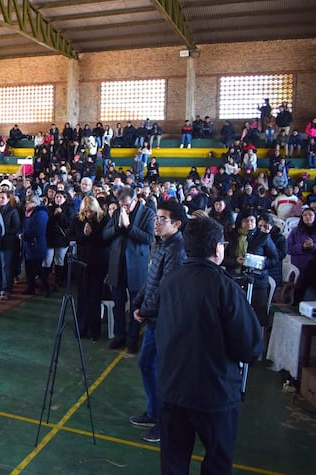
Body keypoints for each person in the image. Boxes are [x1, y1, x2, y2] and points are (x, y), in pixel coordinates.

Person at [156, 216, 262, 474]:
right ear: (218, 248)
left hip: (173, 389)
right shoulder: (225, 287)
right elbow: (250, 347)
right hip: (215, 393)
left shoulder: (170, 281)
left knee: (173, 462)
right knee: (217, 461)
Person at [129, 200, 187, 444]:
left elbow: (166, 287)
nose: (156, 222)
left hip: (165, 320)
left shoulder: (177, 249)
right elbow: (151, 279)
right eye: (156, 218)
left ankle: (167, 424)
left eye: (163, 219)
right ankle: (155, 413)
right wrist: (138, 302)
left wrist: (145, 309)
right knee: (146, 364)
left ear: (176, 224)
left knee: (165, 373)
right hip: (153, 317)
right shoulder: (162, 244)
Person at [103, 186, 155, 353]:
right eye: (121, 204)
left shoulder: (147, 213)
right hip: (117, 265)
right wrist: (118, 227)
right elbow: (105, 234)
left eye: (126, 204)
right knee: (118, 304)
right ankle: (119, 335)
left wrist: (129, 227)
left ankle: (133, 338)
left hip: (136, 266)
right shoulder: (117, 212)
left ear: (135, 200)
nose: (123, 208)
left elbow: (149, 239)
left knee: (135, 305)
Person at [222, 209, 278, 326]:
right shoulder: (231, 236)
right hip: (234, 279)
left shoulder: (263, 237)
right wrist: (235, 261)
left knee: (257, 315)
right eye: (246, 221)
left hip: (257, 280)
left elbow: (274, 258)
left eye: (252, 221)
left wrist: (258, 262)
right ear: (240, 222)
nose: (249, 223)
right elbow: (222, 258)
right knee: (232, 314)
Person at [71, 196, 109, 341]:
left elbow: (106, 240)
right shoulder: (78, 219)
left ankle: (94, 331)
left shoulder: (104, 220)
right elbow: (71, 236)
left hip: (99, 263)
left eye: (90, 212)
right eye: (86, 212)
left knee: (95, 297)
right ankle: (81, 329)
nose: (88, 215)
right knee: (82, 297)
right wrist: (84, 235)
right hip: (82, 263)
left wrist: (91, 234)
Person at [20, 194, 50, 296]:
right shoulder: (29, 213)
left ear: (34, 203)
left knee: (38, 268)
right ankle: (30, 287)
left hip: (36, 244)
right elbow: (25, 226)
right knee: (29, 269)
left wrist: (24, 235)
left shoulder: (41, 213)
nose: (26, 205)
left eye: (28, 203)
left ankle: (47, 287)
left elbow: (37, 229)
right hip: (28, 244)